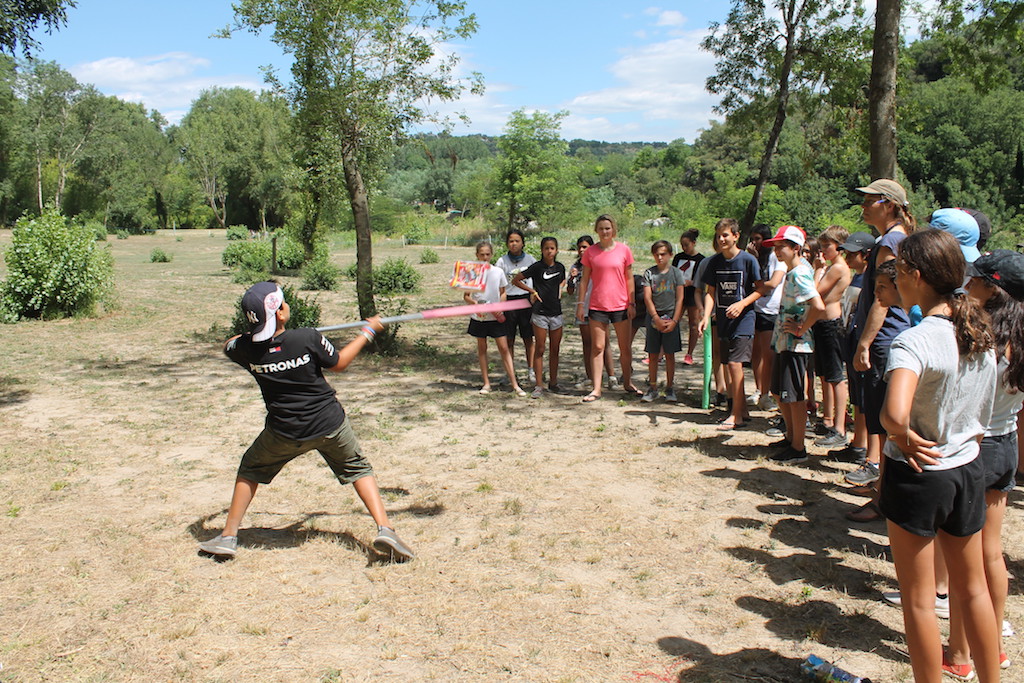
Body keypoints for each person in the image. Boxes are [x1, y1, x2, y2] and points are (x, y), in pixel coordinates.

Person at [198, 281, 414, 561]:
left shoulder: (245, 350)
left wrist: (254, 334)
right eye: (283, 303)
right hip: (329, 424)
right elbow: (339, 363)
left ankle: (228, 536)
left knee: (250, 469)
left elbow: (229, 343)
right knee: (359, 469)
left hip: (284, 432)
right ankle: (386, 529)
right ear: (280, 313)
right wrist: (368, 331)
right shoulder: (307, 337)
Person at [880, 229, 1000, 683]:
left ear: (914, 275)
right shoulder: (978, 332)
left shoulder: (915, 340)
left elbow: (895, 414)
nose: (896, 279)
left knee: (919, 601)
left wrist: (901, 435)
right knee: (973, 590)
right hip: (967, 467)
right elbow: (984, 411)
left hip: (919, 473)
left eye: (898, 271)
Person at [943, 250, 1024, 679]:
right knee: (992, 554)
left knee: (965, 561)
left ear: (994, 289)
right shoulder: (1020, 335)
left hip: (977, 447)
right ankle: (993, 647)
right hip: (1006, 445)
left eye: (975, 281)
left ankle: (960, 652)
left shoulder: (981, 335)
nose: (967, 286)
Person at [846, 179, 915, 521]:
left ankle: (884, 499)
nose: (863, 206)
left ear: (888, 204)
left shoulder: (890, 241)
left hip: (884, 339)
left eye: (869, 200)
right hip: (884, 338)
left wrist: (864, 343)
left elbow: (882, 297)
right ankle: (882, 489)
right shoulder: (890, 239)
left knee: (885, 423)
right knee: (878, 418)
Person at [763, 226, 825, 464]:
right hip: (784, 342)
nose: (777, 251)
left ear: (796, 248)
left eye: (782, 246)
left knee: (794, 396)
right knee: (780, 393)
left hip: (795, 345)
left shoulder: (799, 273)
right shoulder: (795, 270)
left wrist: (801, 328)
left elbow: (818, 306)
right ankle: (791, 438)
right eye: (776, 247)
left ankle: (798, 447)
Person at [698, 218, 763, 429]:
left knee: (736, 365)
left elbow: (761, 289)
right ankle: (741, 410)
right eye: (718, 236)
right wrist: (705, 317)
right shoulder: (714, 262)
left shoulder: (748, 260)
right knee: (728, 365)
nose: (721, 239)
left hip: (744, 320)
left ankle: (736, 416)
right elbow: (710, 292)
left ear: (736, 236)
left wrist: (742, 304)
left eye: (725, 235)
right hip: (723, 320)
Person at [576, 214, 640, 402]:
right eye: (601, 228)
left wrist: (632, 303)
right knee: (597, 347)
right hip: (597, 305)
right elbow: (584, 280)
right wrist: (580, 304)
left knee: (624, 347)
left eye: (607, 228)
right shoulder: (590, 252)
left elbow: (629, 278)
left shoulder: (624, 250)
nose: (604, 232)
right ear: (596, 230)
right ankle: (596, 388)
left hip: (621, 305)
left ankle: (627, 382)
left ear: (613, 230)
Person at [466, 241, 527, 397]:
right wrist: (476, 305)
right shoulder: (472, 273)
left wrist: (500, 306)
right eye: (482, 254)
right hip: (479, 317)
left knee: (504, 348)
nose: (485, 257)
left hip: (496, 316)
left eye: (487, 254)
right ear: (477, 255)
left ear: (491, 255)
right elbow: (466, 296)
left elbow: (503, 292)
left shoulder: (498, 272)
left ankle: (515, 384)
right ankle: (486, 383)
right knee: (482, 348)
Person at [812, 226, 853, 448]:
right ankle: (828, 421)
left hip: (831, 325)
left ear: (840, 246)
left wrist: (818, 270)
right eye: (822, 246)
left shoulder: (837, 268)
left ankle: (840, 428)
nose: (823, 250)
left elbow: (815, 291)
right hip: (821, 324)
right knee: (825, 375)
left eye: (827, 246)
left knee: (836, 377)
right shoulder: (831, 266)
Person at [512, 236, 566, 398]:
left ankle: (554, 383)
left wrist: (560, 289)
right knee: (540, 349)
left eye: (552, 248)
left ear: (556, 250)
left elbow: (562, 280)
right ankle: (538, 385)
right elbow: (516, 280)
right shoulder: (536, 267)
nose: (549, 251)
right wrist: (532, 292)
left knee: (555, 349)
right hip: (540, 313)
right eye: (546, 248)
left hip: (556, 313)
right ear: (542, 250)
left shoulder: (560, 267)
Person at [642, 240, 687, 403]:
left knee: (669, 354)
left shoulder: (676, 273)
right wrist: (655, 317)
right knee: (653, 354)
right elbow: (647, 297)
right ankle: (653, 387)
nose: (660, 257)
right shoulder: (649, 273)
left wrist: (675, 320)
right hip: (654, 316)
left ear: (670, 255)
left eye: (663, 254)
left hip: (671, 316)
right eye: (657, 254)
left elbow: (680, 298)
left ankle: (669, 387)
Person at [749, 223, 787, 413]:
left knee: (768, 355)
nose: (755, 243)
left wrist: (756, 289)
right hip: (756, 309)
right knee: (755, 353)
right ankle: (759, 390)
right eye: (752, 239)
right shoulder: (757, 258)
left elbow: (773, 283)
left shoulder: (776, 258)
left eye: (758, 239)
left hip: (770, 310)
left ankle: (766, 394)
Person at [568, 235, 614, 389]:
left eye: (585, 247)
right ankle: (591, 376)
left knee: (603, 343)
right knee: (587, 343)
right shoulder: (576, 266)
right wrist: (571, 279)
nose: (582, 250)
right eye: (579, 247)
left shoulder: (598, 262)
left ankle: (612, 376)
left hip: (598, 307)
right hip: (582, 308)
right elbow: (570, 291)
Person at [497, 229, 537, 383]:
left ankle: (531, 370)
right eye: (511, 241)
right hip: (509, 301)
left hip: (526, 301)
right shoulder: (502, 261)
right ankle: (509, 372)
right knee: (509, 339)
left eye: (517, 241)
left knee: (528, 337)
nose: (514, 244)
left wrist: (534, 295)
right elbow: (498, 284)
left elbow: (538, 279)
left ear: (523, 243)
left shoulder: (530, 260)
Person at [672, 229, 705, 365]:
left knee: (693, 324)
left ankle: (689, 354)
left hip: (693, 295)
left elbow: (701, 279)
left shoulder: (701, 260)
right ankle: (663, 352)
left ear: (693, 243)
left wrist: (691, 282)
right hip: (679, 294)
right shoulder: (678, 257)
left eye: (686, 245)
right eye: (682, 245)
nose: (684, 248)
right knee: (672, 322)